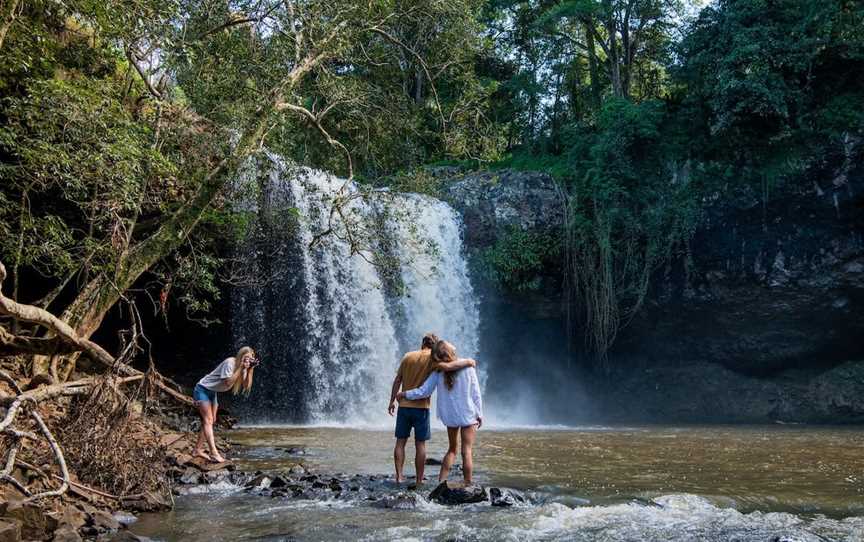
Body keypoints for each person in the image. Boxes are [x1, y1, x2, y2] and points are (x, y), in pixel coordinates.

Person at [388, 333, 476, 488]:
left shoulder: (409, 356)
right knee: (422, 445)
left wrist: (395, 398)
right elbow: (453, 370)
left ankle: (400, 476)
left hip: (406, 406)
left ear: (422, 343)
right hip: (425, 408)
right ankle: (420, 479)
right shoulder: (437, 361)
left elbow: (404, 382)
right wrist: (469, 361)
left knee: (401, 442)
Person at [192, 346, 257, 463]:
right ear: (240, 356)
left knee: (211, 421)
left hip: (212, 392)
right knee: (208, 420)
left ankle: (197, 449)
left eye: (251, 358)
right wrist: (241, 367)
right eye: (246, 357)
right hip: (202, 389)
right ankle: (213, 453)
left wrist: (250, 369)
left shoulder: (244, 368)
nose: (248, 360)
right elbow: (227, 382)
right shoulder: (230, 363)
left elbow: (247, 386)